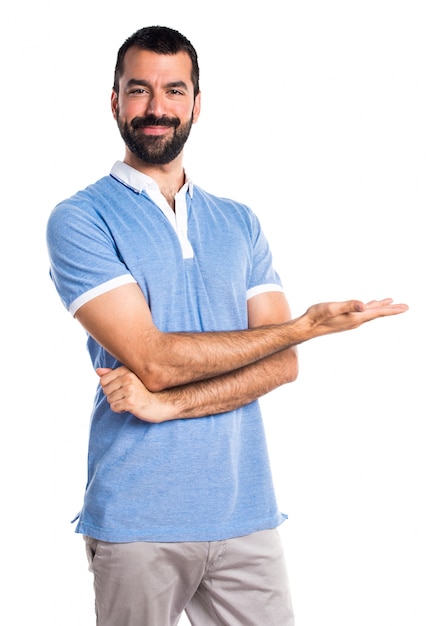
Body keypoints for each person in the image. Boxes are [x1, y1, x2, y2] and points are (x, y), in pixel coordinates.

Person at [46, 25, 408, 626]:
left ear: (196, 102)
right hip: (139, 519)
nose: (157, 108)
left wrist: (166, 406)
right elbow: (153, 358)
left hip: (246, 514)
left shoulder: (238, 222)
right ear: (114, 101)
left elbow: (281, 367)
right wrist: (300, 326)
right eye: (139, 90)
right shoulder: (81, 218)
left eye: (174, 90)